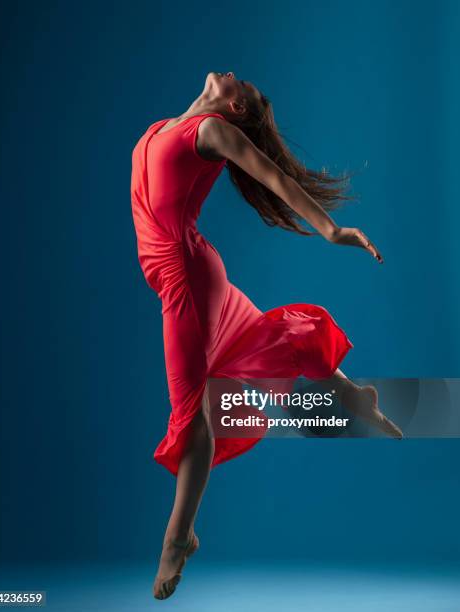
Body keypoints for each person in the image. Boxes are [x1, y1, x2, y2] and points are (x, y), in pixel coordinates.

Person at [130, 71, 402, 600]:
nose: (235, 77)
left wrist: (331, 230)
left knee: (193, 411)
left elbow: (275, 178)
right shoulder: (166, 126)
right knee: (258, 337)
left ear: (233, 109)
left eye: (244, 88)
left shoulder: (211, 132)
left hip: (187, 277)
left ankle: (177, 537)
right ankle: (352, 396)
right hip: (179, 272)